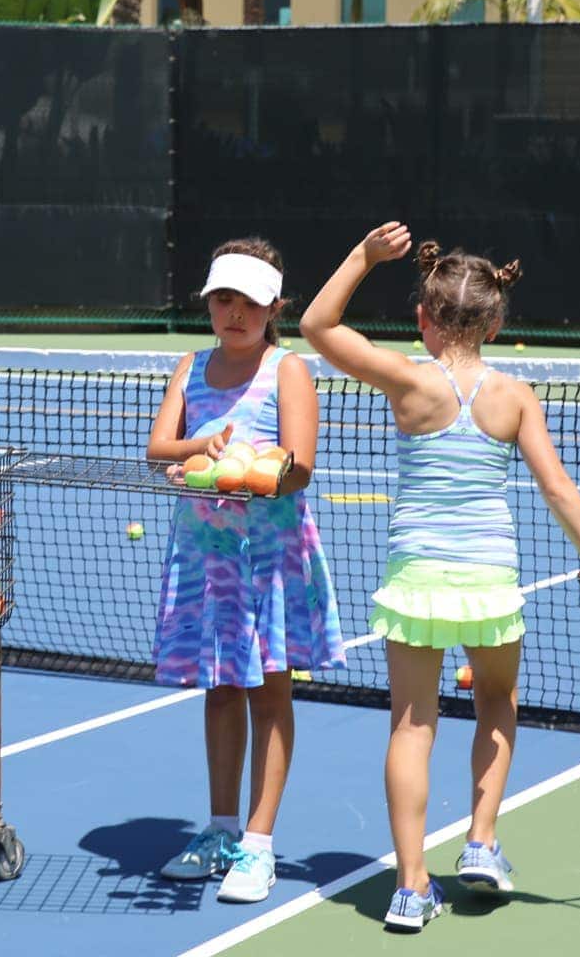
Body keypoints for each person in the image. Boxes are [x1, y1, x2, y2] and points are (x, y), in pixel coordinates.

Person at [300, 221, 580, 933]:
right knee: (496, 704)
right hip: (488, 582)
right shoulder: (514, 396)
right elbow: (560, 491)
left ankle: (411, 888)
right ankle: (481, 840)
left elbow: (317, 325)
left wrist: (361, 256)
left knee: (411, 728)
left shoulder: (407, 380)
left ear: (423, 317)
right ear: (497, 321)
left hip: (415, 580)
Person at [145, 237, 347, 904]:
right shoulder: (189, 366)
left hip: (269, 562)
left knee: (269, 692)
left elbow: (301, 466)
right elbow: (159, 449)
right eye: (222, 299)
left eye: (249, 302)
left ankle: (259, 845)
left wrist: (242, 473)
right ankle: (222, 829)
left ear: (275, 307)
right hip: (206, 559)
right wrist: (202, 456)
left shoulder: (288, 370)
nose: (233, 313)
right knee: (220, 689)